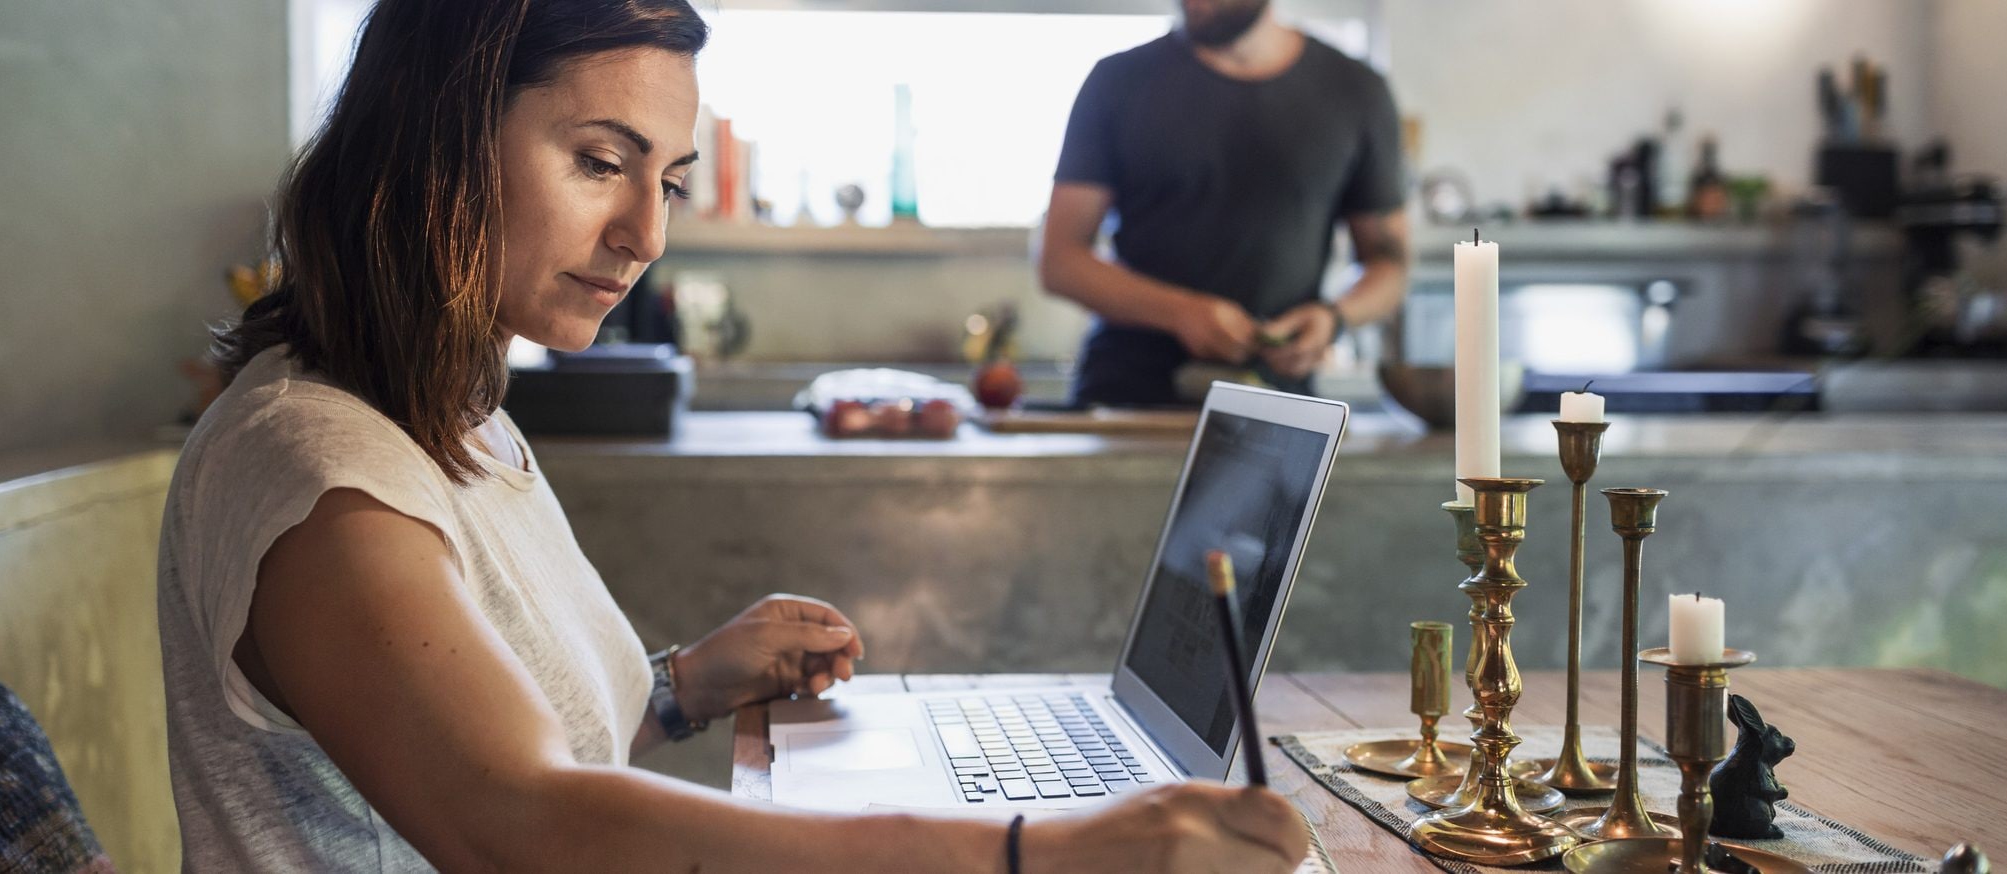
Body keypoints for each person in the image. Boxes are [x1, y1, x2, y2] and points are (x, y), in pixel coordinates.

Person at [156, 1, 1315, 871]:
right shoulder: (319, 469)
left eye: (669, 179)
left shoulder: (453, 421)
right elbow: (521, 819)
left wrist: (684, 683)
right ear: (435, 140)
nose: (643, 233)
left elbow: (500, 728)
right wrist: (1042, 854)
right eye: (601, 162)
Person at [1038, 0, 1412, 406]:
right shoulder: (1117, 81)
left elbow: (1388, 265)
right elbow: (1060, 260)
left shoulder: (1356, 90)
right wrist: (1179, 312)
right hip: (1126, 399)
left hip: (1277, 404)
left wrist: (1333, 318)